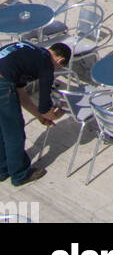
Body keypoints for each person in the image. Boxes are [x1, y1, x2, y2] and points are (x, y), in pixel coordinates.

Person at [0, 39, 70, 186]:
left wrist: (39, 116)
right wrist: (55, 114)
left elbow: (21, 94)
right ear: (60, 60)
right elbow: (45, 107)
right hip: (2, 84)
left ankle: (3, 169)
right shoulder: (46, 65)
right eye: (59, 67)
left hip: (3, 78)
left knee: (2, 128)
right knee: (14, 132)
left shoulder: (31, 52)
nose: (56, 70)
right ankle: (20, 174)